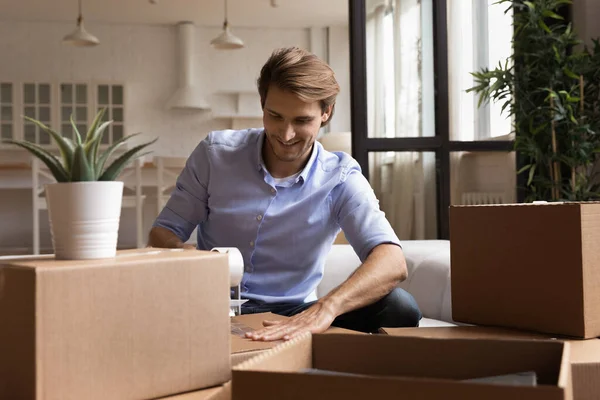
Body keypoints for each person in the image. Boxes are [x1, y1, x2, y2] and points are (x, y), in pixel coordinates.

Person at [149, 46, 422, 341]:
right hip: (211, 305)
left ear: (326, 113)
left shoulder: (340, 177)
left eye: (302, 121)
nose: (286, 134)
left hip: (290, 312)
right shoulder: (215, 155)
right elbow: (162, 232)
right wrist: (192, 258)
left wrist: (325, 308)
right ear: (262, 105)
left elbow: (392, 261)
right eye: (275, 116)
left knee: (400, 307)